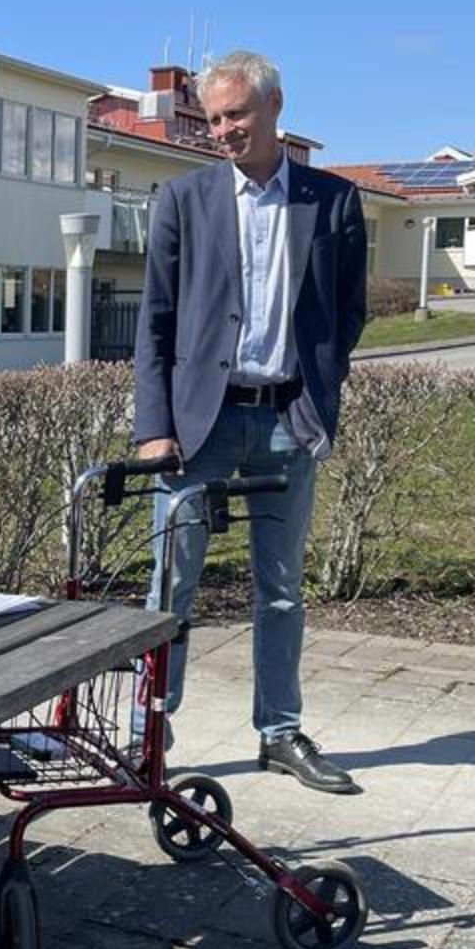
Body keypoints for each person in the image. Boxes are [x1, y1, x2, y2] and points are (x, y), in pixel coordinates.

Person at [130, 50, 369, 795]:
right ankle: (150, 724)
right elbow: (155, 323)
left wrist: (318, 396)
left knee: (281, 589)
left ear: (273, 108)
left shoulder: (333, 202)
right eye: (214, 118)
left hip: (285, 422)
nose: (225, 130)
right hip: (197, 425)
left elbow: (347, 313)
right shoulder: (184, 199)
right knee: (172, 583)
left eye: (237, 114)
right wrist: (152, 426)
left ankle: (279, 731)